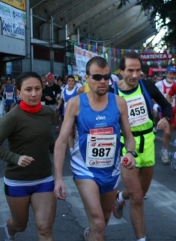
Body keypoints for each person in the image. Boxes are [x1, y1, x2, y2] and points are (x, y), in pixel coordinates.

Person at [54, 56, 136, 240]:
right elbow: (60, 142)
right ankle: (95, 230)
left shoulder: (119, 102)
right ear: (87, 78)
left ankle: (93, 233)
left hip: (111, 168)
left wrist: (130, 153)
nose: (103, 81)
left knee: (104, 219)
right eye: (97, 77)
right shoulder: (75, 104)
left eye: (106, 77)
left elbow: (129, 137)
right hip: (84, 168)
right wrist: (58, 178)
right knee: (99, 222)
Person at [0, 72, 57, 241]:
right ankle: (10, 232)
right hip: (17, 180)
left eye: (37, 89)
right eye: (28, 89)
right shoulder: (12, 117)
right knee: (20, 225)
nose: (34, 93)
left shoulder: (48, 112)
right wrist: (15, 158)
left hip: (44, 179)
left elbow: (49, 141)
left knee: (45, 228)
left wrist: (62, 146)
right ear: (19, 92)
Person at [111, 52, 172, 241]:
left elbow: (166, 105)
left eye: (138, 70)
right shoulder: (113, 91)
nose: (135, 75)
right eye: (130, 70)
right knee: (137, 199)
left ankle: (120, 197)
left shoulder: (147, 86)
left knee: (139, 193)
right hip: (125, 145)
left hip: (148, 144)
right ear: (121, 71)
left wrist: (165, 118)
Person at [155, 66, 176, 164]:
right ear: (166, 74)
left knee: (170, 134)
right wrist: (156, 104)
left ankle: (164, 149)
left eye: (173, 74)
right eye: (170, 73)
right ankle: (164, 151)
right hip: (164, 111)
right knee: (167, 132)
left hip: (174, 111)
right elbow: (153, 95)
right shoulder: (159, 84)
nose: (171, 76)